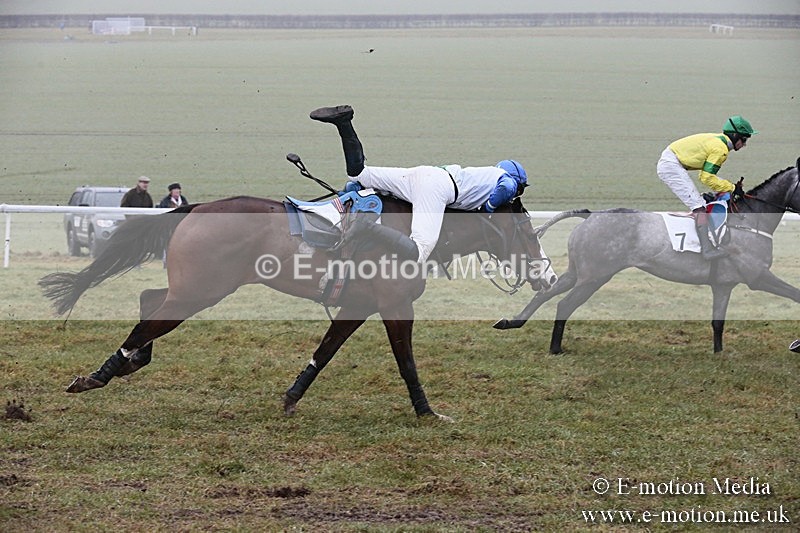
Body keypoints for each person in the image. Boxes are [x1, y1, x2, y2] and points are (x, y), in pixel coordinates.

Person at [309, 105, 528, 263]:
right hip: (437, 188)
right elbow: (507, 188)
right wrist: (489, 209)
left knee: (358, 174)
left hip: (422, 174)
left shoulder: (485, 173)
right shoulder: (505, 180)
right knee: (420, 252)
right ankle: (366, 226)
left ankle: (344, 123)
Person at [657, 115, 757, 260]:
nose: (745, 144)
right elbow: (706, 177)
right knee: (699, 207)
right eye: (744, 139)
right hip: (671, 165)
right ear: (735, 136)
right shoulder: (720, 149)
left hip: (672, 160)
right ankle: (707, 250)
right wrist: (732, 188)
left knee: (702, 202)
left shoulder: (719, 141)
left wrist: (728, 188)